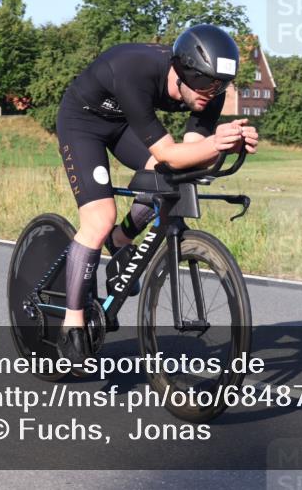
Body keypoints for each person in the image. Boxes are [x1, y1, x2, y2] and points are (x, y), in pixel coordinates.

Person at [53, 24, 258, 369]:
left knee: (170, 181)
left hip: (124, 126)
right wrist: (215, 144)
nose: (213, 92)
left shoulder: (210, 89)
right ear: (182, 71)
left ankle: (121, 239)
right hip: (82, 122)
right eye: (205, 83)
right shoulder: (136, 69)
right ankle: (72, 321)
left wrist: (227, 144)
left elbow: (191, 156)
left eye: (220, 85)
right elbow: (169, 154)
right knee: (99, 216)